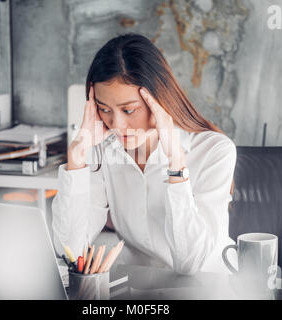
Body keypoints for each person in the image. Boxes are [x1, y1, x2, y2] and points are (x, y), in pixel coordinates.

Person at [51, 33, 237, 275]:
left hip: (208, 288)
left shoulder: (214, 151)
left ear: (158, 99)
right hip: (139, 291)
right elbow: (70, 251)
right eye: (104, 109)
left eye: (129, 110)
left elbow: (192, 265)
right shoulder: (104, 151)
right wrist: (76, 157)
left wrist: (176, 165)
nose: (116, 124)